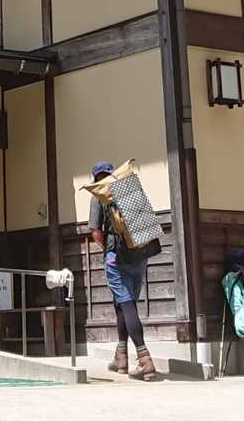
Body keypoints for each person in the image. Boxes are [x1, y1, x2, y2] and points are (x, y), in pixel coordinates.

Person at [87, 160, 160, 381]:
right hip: (139, 254)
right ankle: (121, 357)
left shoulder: (98, 195)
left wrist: (108, 248)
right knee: (123, 304)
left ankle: (145, 360)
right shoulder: (128, 189)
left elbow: (96, 232)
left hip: (116, 257)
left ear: (95, 177)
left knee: (127, 306)